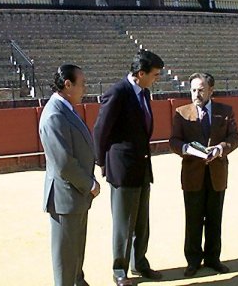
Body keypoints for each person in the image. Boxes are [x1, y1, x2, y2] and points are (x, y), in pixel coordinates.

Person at [93, 50, 164, 286]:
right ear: (140, 73)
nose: (157, 78)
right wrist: (101, 162)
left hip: (142, 166)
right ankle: (119, 270)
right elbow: (101, 130)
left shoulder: (144, 92)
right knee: (124, 224)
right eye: (154, 74)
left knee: (142, 221)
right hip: (122, 169)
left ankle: (139, 263)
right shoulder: (118, 92)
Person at [169, 72, 238, 277]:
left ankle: (213, 258)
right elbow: (174, 141)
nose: (196, 94)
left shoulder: (225, 111)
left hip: (217, 174)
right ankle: (193, 261)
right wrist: (187, 149)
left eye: (200, 90)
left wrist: (220, 148)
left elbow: (235, 137)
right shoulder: (181, 113)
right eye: (193, 90)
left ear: (211, 90)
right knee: (193, 219)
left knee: (214, 218)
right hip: (193, 174)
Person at [39, 64, 100, 286]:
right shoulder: (55, 114)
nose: (85, 88)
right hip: (66, 197)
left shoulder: (65, 109)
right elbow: (64, 163)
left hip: (75, 197)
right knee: (65, 262)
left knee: (75, 256)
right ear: (68, 85)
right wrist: (90, 184)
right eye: (82, 84)